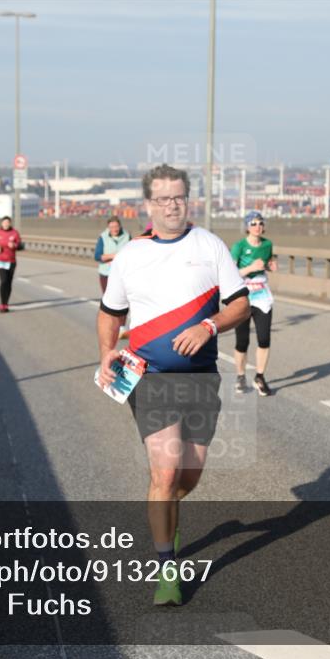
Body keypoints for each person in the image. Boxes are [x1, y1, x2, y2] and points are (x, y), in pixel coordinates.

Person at [97, 164, 249, 606]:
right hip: (151, 378)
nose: (171, 205)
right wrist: (106, 349)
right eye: (162, 199)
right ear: (148, 204)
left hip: (201, 378)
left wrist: (209, 325)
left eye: (178, 197)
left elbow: (241, 306)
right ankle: (167, 569)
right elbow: (110, 312)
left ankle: (171, 515)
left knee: (189, 475)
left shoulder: (210, 246)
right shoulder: (131, 255)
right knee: (163, 473)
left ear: (188, 199)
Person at [230, 211, 277, 396]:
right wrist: (250, 268)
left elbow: (269, 261)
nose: (257, 227)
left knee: (264, 339)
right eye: (253, 223)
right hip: (243, 296)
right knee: (242, 341)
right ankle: (240, 376)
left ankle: (259, 376)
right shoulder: (239, 246)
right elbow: (231, 273)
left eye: (260, 223)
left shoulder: (267, 244)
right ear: (247, 227)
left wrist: (270, 266)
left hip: (262, 295)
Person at [0, 215, 23, 313]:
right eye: (4, 222)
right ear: (1, 223)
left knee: (8, 283)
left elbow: (21, 246)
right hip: (0, 260)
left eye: (8, 222)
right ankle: (2, 303)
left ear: (10, 223)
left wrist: (14, 245)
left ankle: (6, 303)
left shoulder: (14, 233)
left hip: (11, 261)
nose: (6, 224)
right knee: (3, 280)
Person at [93, 216, 131, 293]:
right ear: (108, 228)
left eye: (116, 226)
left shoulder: (127, 236)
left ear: (120, 226)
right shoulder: (103, 237)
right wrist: (113, 256)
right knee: (108, 299)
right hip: (106, 273)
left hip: (122, 274)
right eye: (111, 227)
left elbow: (131, 254)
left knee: (122, 300)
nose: (114, 229)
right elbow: (97, 256)